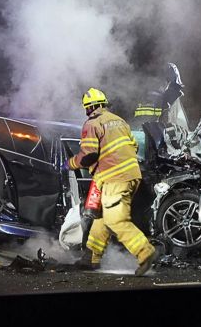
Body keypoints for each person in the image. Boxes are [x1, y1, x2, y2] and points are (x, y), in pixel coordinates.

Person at [65, 88, 157, 276]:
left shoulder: (92, 123)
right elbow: (134, 145)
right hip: (132, 176)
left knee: (115, 220)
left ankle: (144, 252)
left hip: (115, 178)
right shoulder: (119, 121)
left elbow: (89, 154)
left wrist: (70, 163)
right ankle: (91, 257)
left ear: (89, 108)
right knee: (102, 219)